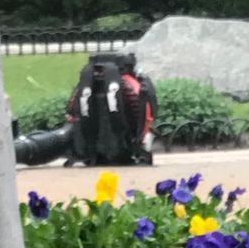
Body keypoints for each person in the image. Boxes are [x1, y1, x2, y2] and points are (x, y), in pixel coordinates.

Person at [13, 49, 157, 166]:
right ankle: (18, 149)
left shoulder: (87, 84)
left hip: (87, 145)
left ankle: (19, 149)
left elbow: (72, 114)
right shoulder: (130, 85)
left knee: (49, 142)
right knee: (45, 143)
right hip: (123, 146)